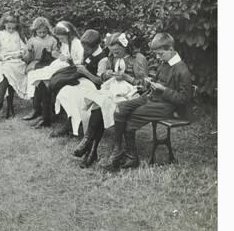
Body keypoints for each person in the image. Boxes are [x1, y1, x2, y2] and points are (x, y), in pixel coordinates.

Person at [103, 33, 193, 170]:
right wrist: (150, 82)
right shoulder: (164, 63)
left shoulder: (181, 69)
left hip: (165, 106)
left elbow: (184, 99)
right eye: (156, 54)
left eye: (160, 54)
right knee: (120, 108)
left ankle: (131, 157)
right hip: (151, 97)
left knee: (130, 118)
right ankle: (118, 150)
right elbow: (157, 82)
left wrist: (163, 89)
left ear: (170, 49)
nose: (157, 57)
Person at [27, 21, 84, 130]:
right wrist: (58, 55)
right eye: (60, 39)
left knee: (46, 80)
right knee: (40, 79)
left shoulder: (77, 44)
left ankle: (46, 117)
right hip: (63, 66)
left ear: (69, 35)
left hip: (71, 70)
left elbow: (79, 62)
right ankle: (44, 115)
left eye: (62, 39)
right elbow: (63, 54)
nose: (61, 41)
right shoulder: (65, 43)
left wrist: (67, 59)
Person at [69, 29, 109, 167]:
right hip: (86, 85)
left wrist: (85, 71)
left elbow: (100, 81)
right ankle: (90, 150)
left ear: (96, 46)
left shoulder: (103, 58)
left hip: (96, 88)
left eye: (87, 47)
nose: (85, 50)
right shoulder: (88, 52)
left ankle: (90, 148)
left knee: (96, 110)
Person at [0, 13, 28, 118]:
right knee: (6, 71)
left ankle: (0, 102)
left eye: (13, 27)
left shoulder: (19, 35)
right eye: (8, 27)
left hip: (17, 63)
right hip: (3, 62)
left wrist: (20, 54)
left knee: (8, 71)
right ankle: (9, 108)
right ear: (4, 24)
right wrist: (2, 58)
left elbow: (25, 49)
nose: (11, 30)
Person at [22, 17, 59, 121]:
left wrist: (52, 53)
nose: (42, 34)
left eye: (44, 32)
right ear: (35, 31)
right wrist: (29, 52)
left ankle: (46, 107)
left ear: (48, 30)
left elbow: (56, 55)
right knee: (31, 77)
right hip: (35, 62)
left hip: (48, 63)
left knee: (44, 78)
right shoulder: (32, 40)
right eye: (39, 32)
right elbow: (26, 58)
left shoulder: (52, 40)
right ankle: (35, 107)